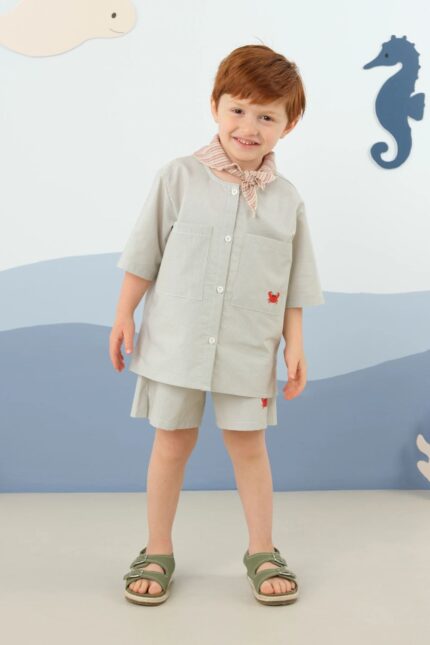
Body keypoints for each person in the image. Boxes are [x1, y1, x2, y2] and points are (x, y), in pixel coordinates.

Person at [110, 44, 324, 606]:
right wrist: (123, 314)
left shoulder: (287, 201)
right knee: (171, 442)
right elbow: (144, 253)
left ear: (288, 125)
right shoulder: (178, 177)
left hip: (248, 347)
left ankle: (262, 550)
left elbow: (295, 280)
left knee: (249, 447)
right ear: (215, 106)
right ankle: (157, 549)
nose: (248, 127)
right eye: (238, 110)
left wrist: (295, 344)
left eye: (266, 116)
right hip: (176, 340)